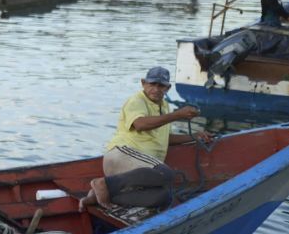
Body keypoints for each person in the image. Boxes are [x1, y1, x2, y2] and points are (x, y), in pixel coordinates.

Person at [82, 66, 214, 211]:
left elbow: (165, 138)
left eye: (161, 85)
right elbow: (140, 124)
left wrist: (194, 136)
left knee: (164, 196)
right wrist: (177, 115)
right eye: (152, 84)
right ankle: (103, 184)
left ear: (168, 88)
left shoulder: (164, 106)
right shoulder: (136, 101)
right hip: (122, 156)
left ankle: (98, 197)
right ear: (143, 83)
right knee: (166, 173)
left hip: (141, 171)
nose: (156, 89)